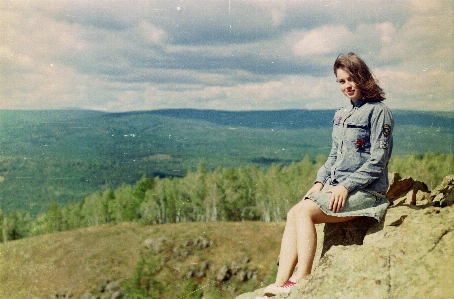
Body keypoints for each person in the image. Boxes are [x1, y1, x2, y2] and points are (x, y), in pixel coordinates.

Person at [257, 52, 394, 298]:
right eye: (341, 81)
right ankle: (280, 284)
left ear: (363, 77)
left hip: (367, 192)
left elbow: (378, 162)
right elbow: (334, 155)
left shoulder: (378, 112)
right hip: (336, 186)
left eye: (351, 79)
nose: (347, 86)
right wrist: (319, 182)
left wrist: (346, 187)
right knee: (294, 212)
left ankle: (302, 280)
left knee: (306, 212)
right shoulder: (342, 113)